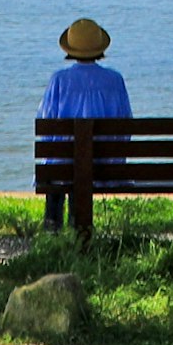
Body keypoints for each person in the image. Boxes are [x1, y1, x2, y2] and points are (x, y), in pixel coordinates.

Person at [40, 20, 131, 229]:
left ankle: (53, 231)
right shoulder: (115, 80)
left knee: (58, 168)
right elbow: (126, 124)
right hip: (105, 167)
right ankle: (80, 230)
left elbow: (46, 124)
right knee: (76, 167)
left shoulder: (59, 80)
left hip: (64, 167)